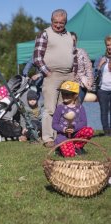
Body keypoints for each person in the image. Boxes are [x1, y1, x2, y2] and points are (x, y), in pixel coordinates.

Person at [33, 9, 76, 148]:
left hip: (68, 76)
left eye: (61, 23)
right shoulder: (45, 34)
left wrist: (74, 73)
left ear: (65, 22)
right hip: (52, 75)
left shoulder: (69, 35)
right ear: (51, 21)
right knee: (50, 108)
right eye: (55, 22)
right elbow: (37, 57)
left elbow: (74, 55)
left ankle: (61, 137)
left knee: (64, 108)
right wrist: (47, 72)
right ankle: (48, 138)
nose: (58, 25)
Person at [52, 81, 94, 157]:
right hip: (63, 136)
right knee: (70, 154)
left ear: (75, 95)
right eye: (63, 93)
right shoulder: (60, 108)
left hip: (76, 134)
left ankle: (77, 147)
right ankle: (59, 149)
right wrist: (63, 129)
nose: (64, 96)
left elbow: (84, 123)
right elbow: (54, 124)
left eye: (67, 94)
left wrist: (74, 128)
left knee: (89, 130)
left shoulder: (80, 107)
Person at [94, 35, 111, 136]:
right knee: (104, 110)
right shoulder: (100, 58)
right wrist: (99, 66)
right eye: (108, 45)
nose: (110, 47)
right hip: (102, 89)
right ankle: (106, 132)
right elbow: (94, 75)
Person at [70, 32, 93, 103]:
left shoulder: (82, 52)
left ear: (76, 41)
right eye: (70, 40)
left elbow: (88, 68)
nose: (72, 42)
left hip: (81, 84)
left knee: (78, 105)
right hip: (68, 83)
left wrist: (89, 82)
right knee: (68, 107)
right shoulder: (63, 53)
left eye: (74, 40)